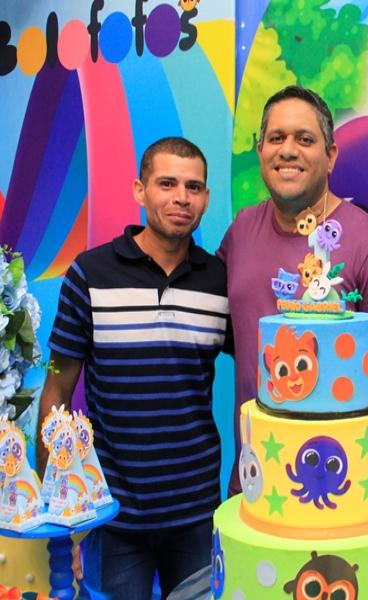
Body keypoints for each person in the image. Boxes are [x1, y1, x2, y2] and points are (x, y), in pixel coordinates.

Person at [38, 137, 232, 600]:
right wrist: (58, 506)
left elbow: (260, 373)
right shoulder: (90, 273)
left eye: (193, 187)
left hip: (196, 512)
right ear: (140, 191)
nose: (181, 197)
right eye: (167, 184)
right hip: (114, 512)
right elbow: (57, 391)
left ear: (206, 198)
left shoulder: (220, 281)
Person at [218, 85, 368, 496]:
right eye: (276, 138)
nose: (288, 150)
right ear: (260, 150)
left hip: (341, 489)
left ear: (331, 155)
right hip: (253, 483)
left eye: (304, 139)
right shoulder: (240, 233)